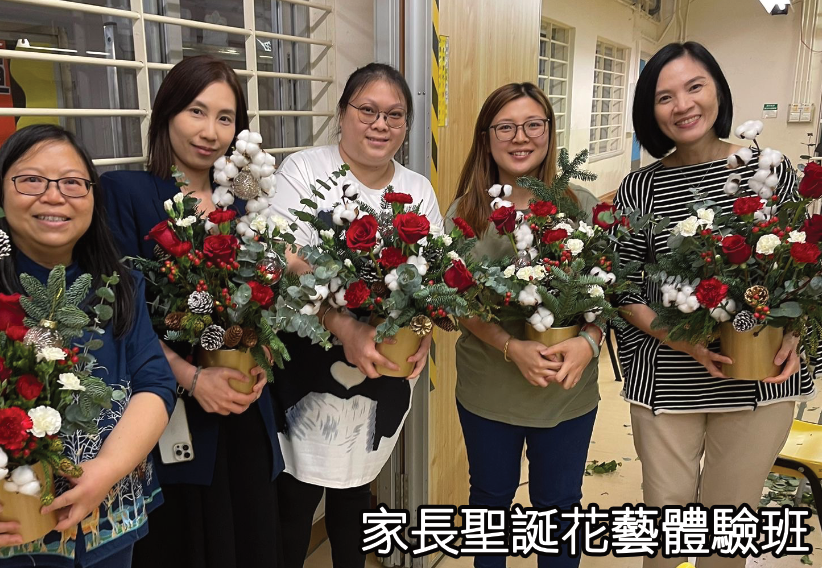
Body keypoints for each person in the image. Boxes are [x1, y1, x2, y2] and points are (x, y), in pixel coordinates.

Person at [0, 124, 175, 567]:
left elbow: (154, 384)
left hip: (104, 518)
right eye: (31, 180)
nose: (54, 196)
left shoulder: (118, 284)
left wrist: (104, 472)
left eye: (73, 182)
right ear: (0, 192)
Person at [613, 41, 814, 568]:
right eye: (665, 96)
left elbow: (804, 268)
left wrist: (795, 335)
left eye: (694, 87)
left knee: (728, 527)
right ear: (650, 110)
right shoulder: (640, 187)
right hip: (666, 379)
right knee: (666, 529)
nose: (682, 105)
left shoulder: (769, 169)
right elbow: (622, 287)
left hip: (759, 377)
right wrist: (682, 340)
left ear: (718, 91)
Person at [101, 55, 284, 568]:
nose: (210, 132)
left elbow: (263, 298)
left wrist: (261, 352)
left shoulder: (244, 205)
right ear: (167, 113)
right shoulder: (128, 194)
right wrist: (191, 377)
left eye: (225, 118)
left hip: (245, 406)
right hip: (172, 413)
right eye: (196, 112)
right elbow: (122, 314)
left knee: (252, 539)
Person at [267, 62, 439, 568]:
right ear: (342, 113)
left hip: (381, 363)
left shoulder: (417, 189)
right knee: (295, 495)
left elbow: (432, 275)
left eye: (394, 115)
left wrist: (424, 329)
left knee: (356, 493)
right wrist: (342, 320)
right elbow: (283, 256)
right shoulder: (305, 169)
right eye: (367, 110)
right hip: (307, 357)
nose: (380, 124)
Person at [444, 82, 603, 568]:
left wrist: (590, 342)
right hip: (489, 390)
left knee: (560, 508)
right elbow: (458, 303)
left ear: (549, 132)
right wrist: (511, 347)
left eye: (533, 124)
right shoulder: (465, 214)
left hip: (567, 390)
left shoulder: (581, 204)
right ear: (486, 137)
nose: (521, 137)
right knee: (489, 503)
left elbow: (609, 292)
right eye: (506, 127)